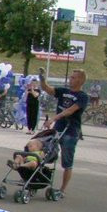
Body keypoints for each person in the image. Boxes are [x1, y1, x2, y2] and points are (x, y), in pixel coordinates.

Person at [39, 67, 88, 199]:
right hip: (58, 129)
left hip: (71, 131)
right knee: (44, 152)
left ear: (80, 80)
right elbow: (47, 89)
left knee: (67, 161)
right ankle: (34, 178)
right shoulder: (64, 91)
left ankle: (62, 189)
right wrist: (42, 78)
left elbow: (70, 111)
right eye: (71, 77)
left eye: (73, 77)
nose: (70, 79)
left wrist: (54, 119)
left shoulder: (82, 97)